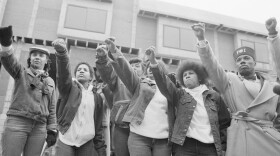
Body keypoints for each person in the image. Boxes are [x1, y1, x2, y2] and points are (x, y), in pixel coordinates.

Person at [192, 22, 280, 156]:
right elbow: (212, 65)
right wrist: (201, 40)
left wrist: (273, 36)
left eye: (246, 58)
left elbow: (278, 63)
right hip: (241, 136)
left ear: (255, 63)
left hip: (269, 136)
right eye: (239, 60)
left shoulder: (272, 84)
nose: (242, 61)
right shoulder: (229, 80)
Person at [145, 47, 230, 156]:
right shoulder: (179, 94)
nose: (187, 76)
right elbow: (164, 84)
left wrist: (223, 147)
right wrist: (153, 63)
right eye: (184, 75)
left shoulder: (214, 96)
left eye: (191, 73)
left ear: (199, 77)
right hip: (184, 146)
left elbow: (224, 122)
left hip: (210, 147)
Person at [97, 39, 175, 156]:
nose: (151, 71)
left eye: (138, 66)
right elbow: (124, 71)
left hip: (162, 138)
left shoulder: (169, 88)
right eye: (149, 69)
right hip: (129, 128)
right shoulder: (138, 84)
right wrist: (112, 52)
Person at [0, 26, 57, 156]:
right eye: (34, 55)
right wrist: (6, 44)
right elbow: (9, 61)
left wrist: (52, 129)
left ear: (47, 61)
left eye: (41, 55)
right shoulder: (21, 72)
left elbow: (52, 108)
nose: (37, 57)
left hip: (40, 128)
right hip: (18, 122)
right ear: (30, 59)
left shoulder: (50, 82)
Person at [52, 39, 106, 156]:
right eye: (78, 70)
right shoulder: (68, 89)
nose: (81, 71)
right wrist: (62, 55)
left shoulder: (97, 98)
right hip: (65, 139)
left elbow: (98, 124)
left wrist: (100, 147)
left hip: (87, 143)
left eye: (85, 70)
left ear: (91, 77)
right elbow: (63, 74)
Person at [96, 43, 147, 156]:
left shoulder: (148, 85)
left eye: (137, 66)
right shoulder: (118, 81)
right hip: (121, 126)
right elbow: (108, 74)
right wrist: (103, 58)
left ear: (144, 71)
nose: (133, 68)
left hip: (142, 126)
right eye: (131, 66)